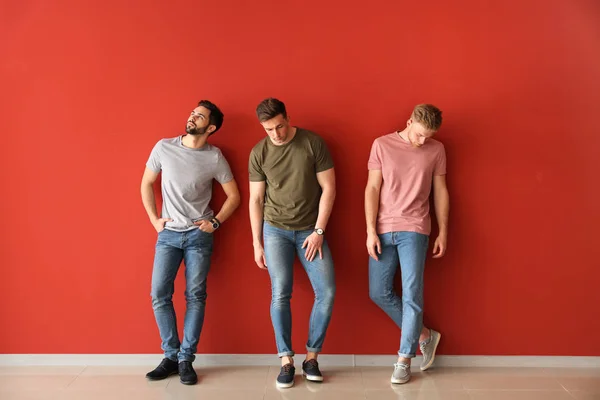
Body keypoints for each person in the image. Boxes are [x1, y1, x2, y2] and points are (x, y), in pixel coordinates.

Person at [140, 100, 240, 385]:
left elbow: (234, 196)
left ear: (210, 127)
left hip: (199, 236)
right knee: (159, 293)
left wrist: (215, 222)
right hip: (168, 235)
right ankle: (170, 355)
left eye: (199, 116)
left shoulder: (215, 156)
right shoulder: (164, 147)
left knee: (195, 296)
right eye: (192, 113)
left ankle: (186, 359)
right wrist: (154, 219)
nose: (192, 117)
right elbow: (146, 183)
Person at [248, 98, 336, 388]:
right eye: (268, 129)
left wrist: (319, 231)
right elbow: (256, 200)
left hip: (311, 231)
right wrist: (257, 243)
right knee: (280, 293)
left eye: (279, 126)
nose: (276, 134)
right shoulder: (259, 152)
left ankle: (312, 358)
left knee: (327, 291)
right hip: (275, 231)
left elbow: (329, 189)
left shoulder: (313, 143)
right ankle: (286, 361)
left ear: (288, 118)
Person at [365, 104, 449, 384]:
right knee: (378, 292)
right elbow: (372, 188)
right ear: (409, 121)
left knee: (413, 294)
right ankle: (425, 335)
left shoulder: (437, 150)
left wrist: (443, 230)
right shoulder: (381, 145)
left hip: (416, 228)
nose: (423, 141)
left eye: (428, 136)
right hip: (383, 228)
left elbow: (440, 192)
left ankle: (404, 359)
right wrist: (369, 230)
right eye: (419, 134)